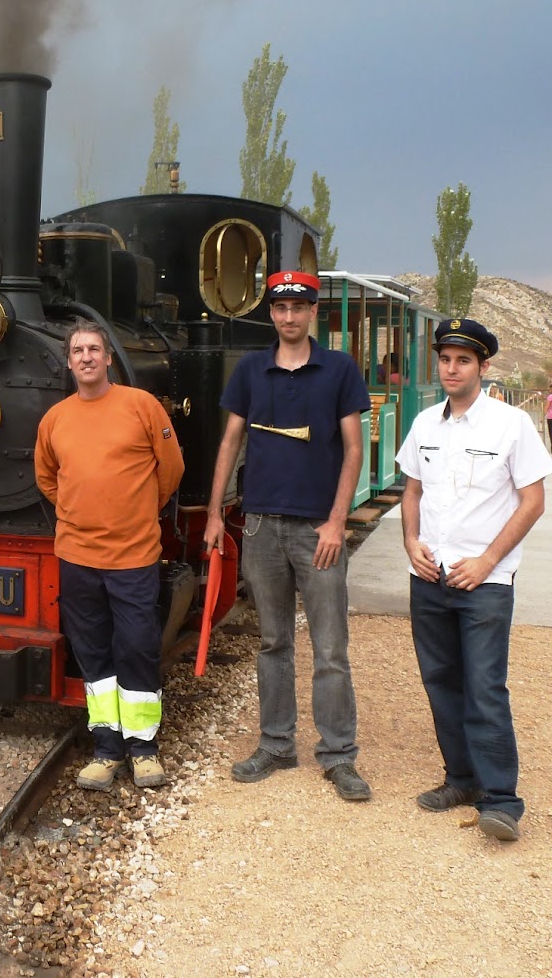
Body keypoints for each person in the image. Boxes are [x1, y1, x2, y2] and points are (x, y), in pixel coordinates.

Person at [202, 271, 374, 803]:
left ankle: (339, 755)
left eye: (298, 308)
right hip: (260, 526)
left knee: (330, 649)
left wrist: (338, 520)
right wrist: (214, 514)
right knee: (273, 642)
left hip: (316, 529)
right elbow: (230, 443)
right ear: (271, 314)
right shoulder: (252, 370)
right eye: (280, 309)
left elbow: (352, 449)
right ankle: (277, 744)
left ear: (312, 312)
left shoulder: (340, 370)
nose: (289, 317)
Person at [396, 318, 552, 843]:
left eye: (463, 360)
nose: (451, 368)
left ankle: (502, 800)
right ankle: (460, 780)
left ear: (484, 367)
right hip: (431, 576)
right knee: (441, 682)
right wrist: (410, 543)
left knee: (485, 687)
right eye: (445, 359)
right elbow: (412, 492)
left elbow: (533, 502)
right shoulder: (425, 425)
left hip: (484, 582)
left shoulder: (511, 425)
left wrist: (487, 561)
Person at [35, 320, 185, 790]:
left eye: (93, 349)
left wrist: (136, 511)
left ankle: (143, 749)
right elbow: (47, 476)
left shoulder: (140, 406)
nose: (85, 357)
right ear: (69, 360)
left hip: (134, 555)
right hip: (77, 554)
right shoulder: (55, 418)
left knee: (137, 646)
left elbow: (172, 469)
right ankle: (105, 747)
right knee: (92, 651)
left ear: (108, 358)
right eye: (77, 350)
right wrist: (79, 511)